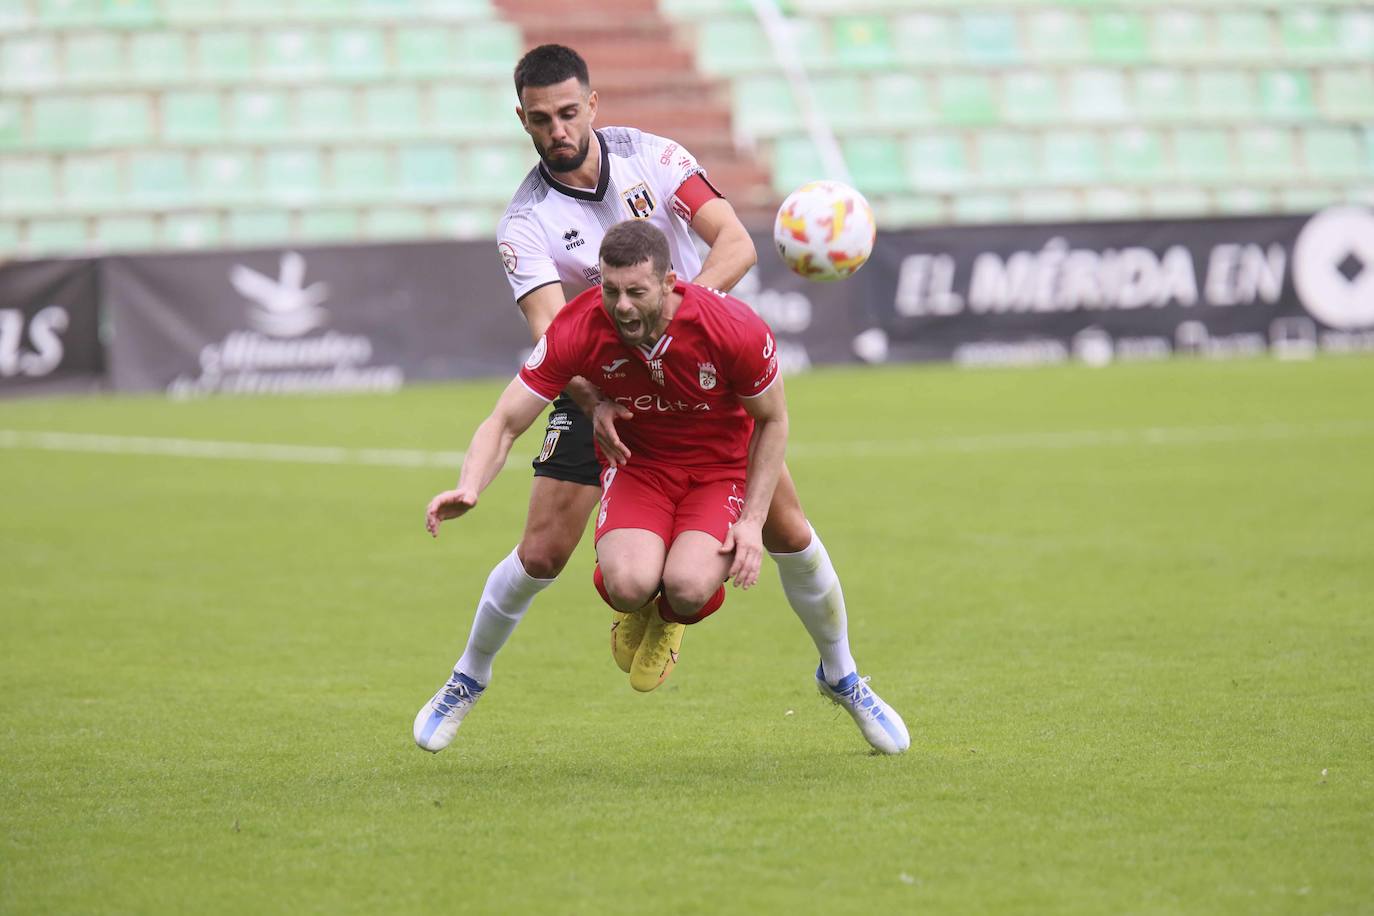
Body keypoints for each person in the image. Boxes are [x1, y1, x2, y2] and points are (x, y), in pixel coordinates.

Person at [413, 44, 908, 754]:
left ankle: (842, 673)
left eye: (568, 112)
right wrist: (597, 395)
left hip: (691, 375)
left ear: (593, 105)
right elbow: (557, 334)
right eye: (540, 118)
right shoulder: (525, 222)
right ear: (521, 119)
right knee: (545, 552)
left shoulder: (655, 158)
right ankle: (468, 678)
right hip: (598, 385)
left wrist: (680, 330)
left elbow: (733, 242)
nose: (557, 129)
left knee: (788, 534)